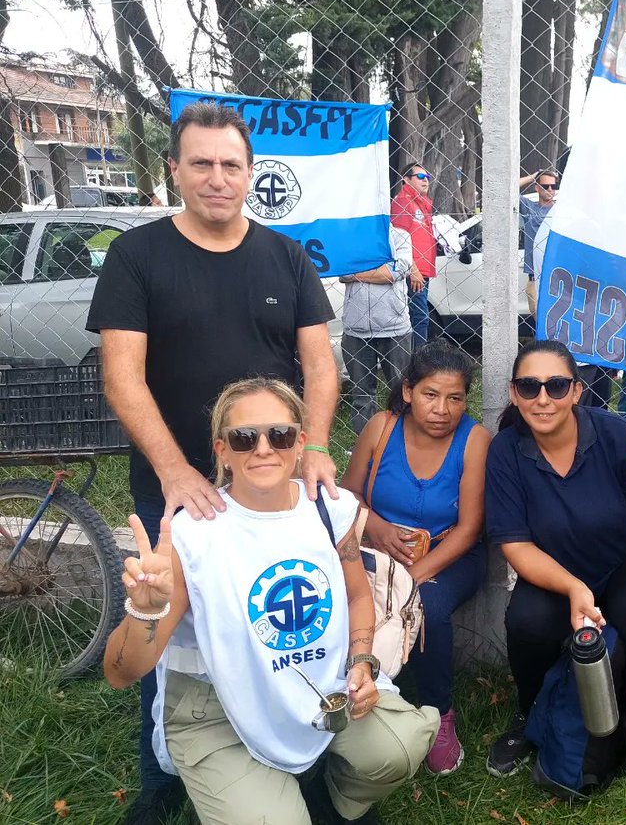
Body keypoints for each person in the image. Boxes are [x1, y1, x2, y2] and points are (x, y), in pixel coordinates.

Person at [86, 101, 341, 825]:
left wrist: (315, 446)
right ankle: (162, 772)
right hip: (179, 487)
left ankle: (307, 759)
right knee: (163, 615)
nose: (218, 178)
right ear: (175, 168)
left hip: (271, 479)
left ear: (250, 173)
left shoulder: (285, 256)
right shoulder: (137, 257)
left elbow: (320, 366)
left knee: (289, 617)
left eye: (231, 164)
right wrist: (173, 469)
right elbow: (122, 377)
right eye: (201, 163)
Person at [103, 377, 439, 825]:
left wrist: (361, 661)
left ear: (300, 442)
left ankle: (328, 795)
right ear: (222, 450)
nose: (263, 448)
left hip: (317, 687)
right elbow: (120, 673)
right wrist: (145, 609)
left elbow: (359, 595)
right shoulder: (194, 535)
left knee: (399, 747)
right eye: (244, 438)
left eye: (278, 435)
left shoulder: (328, 510)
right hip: (216, 706)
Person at [483, 340, 626, 811]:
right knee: (526, 620)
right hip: (558, 566)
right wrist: (572, 587)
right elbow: (516, 546)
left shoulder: (612, 434)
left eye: (556, 385)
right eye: (529, 386)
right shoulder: (506, 450)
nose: (543, 398)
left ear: (577, 391)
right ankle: (530, 712)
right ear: (514, 393)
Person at [341, 341, 490, 775]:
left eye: (455, 398)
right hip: (377, 547)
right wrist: (376, 529)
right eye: (430, 394)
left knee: (427, 607)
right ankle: (360, 688)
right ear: (408, 391)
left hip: (449, 554)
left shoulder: (475, 440)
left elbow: (469, 529)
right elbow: (349, 495)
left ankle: (438, 711)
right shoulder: (381, 428)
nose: (442, 409)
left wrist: (412, 578)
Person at [340, 220, 416, 434]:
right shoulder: (350, 236)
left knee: (401, 390)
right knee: (362, 394)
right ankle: (366, 443)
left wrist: (359, 273)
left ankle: (403, 438)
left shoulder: (400, 236)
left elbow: (398, 271)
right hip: (356, 328)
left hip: (395, 326)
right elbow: (342, 271)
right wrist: (379, 272)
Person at [392, 162, 436, 346]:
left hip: (423, 272)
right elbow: (399, 239)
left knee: (419, 316)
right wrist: (413, 269)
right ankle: (418, 363)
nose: (425, 180)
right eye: (420, 177)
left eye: (427, 177)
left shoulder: (422, 204)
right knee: (419, 318)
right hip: (413, 272)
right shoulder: (403, 201)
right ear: (406, 180)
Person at [518, 170, 558, 316]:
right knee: (540, 322)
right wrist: (531, 177)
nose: (550, 190)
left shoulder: (561, 211)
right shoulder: (529, 208)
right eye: (545, 186)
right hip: (535, 279)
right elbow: (507, 189)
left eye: (554, 186)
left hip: (557, 279)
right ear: (537, 187)